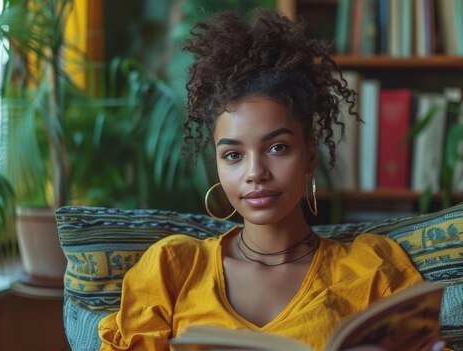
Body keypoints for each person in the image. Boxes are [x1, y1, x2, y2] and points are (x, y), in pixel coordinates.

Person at [98, 10, 445, 351]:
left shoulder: (370, 269)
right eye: (233, 155)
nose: (254, 173)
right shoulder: (172, 269)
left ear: (310, 154)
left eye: (277, 148)